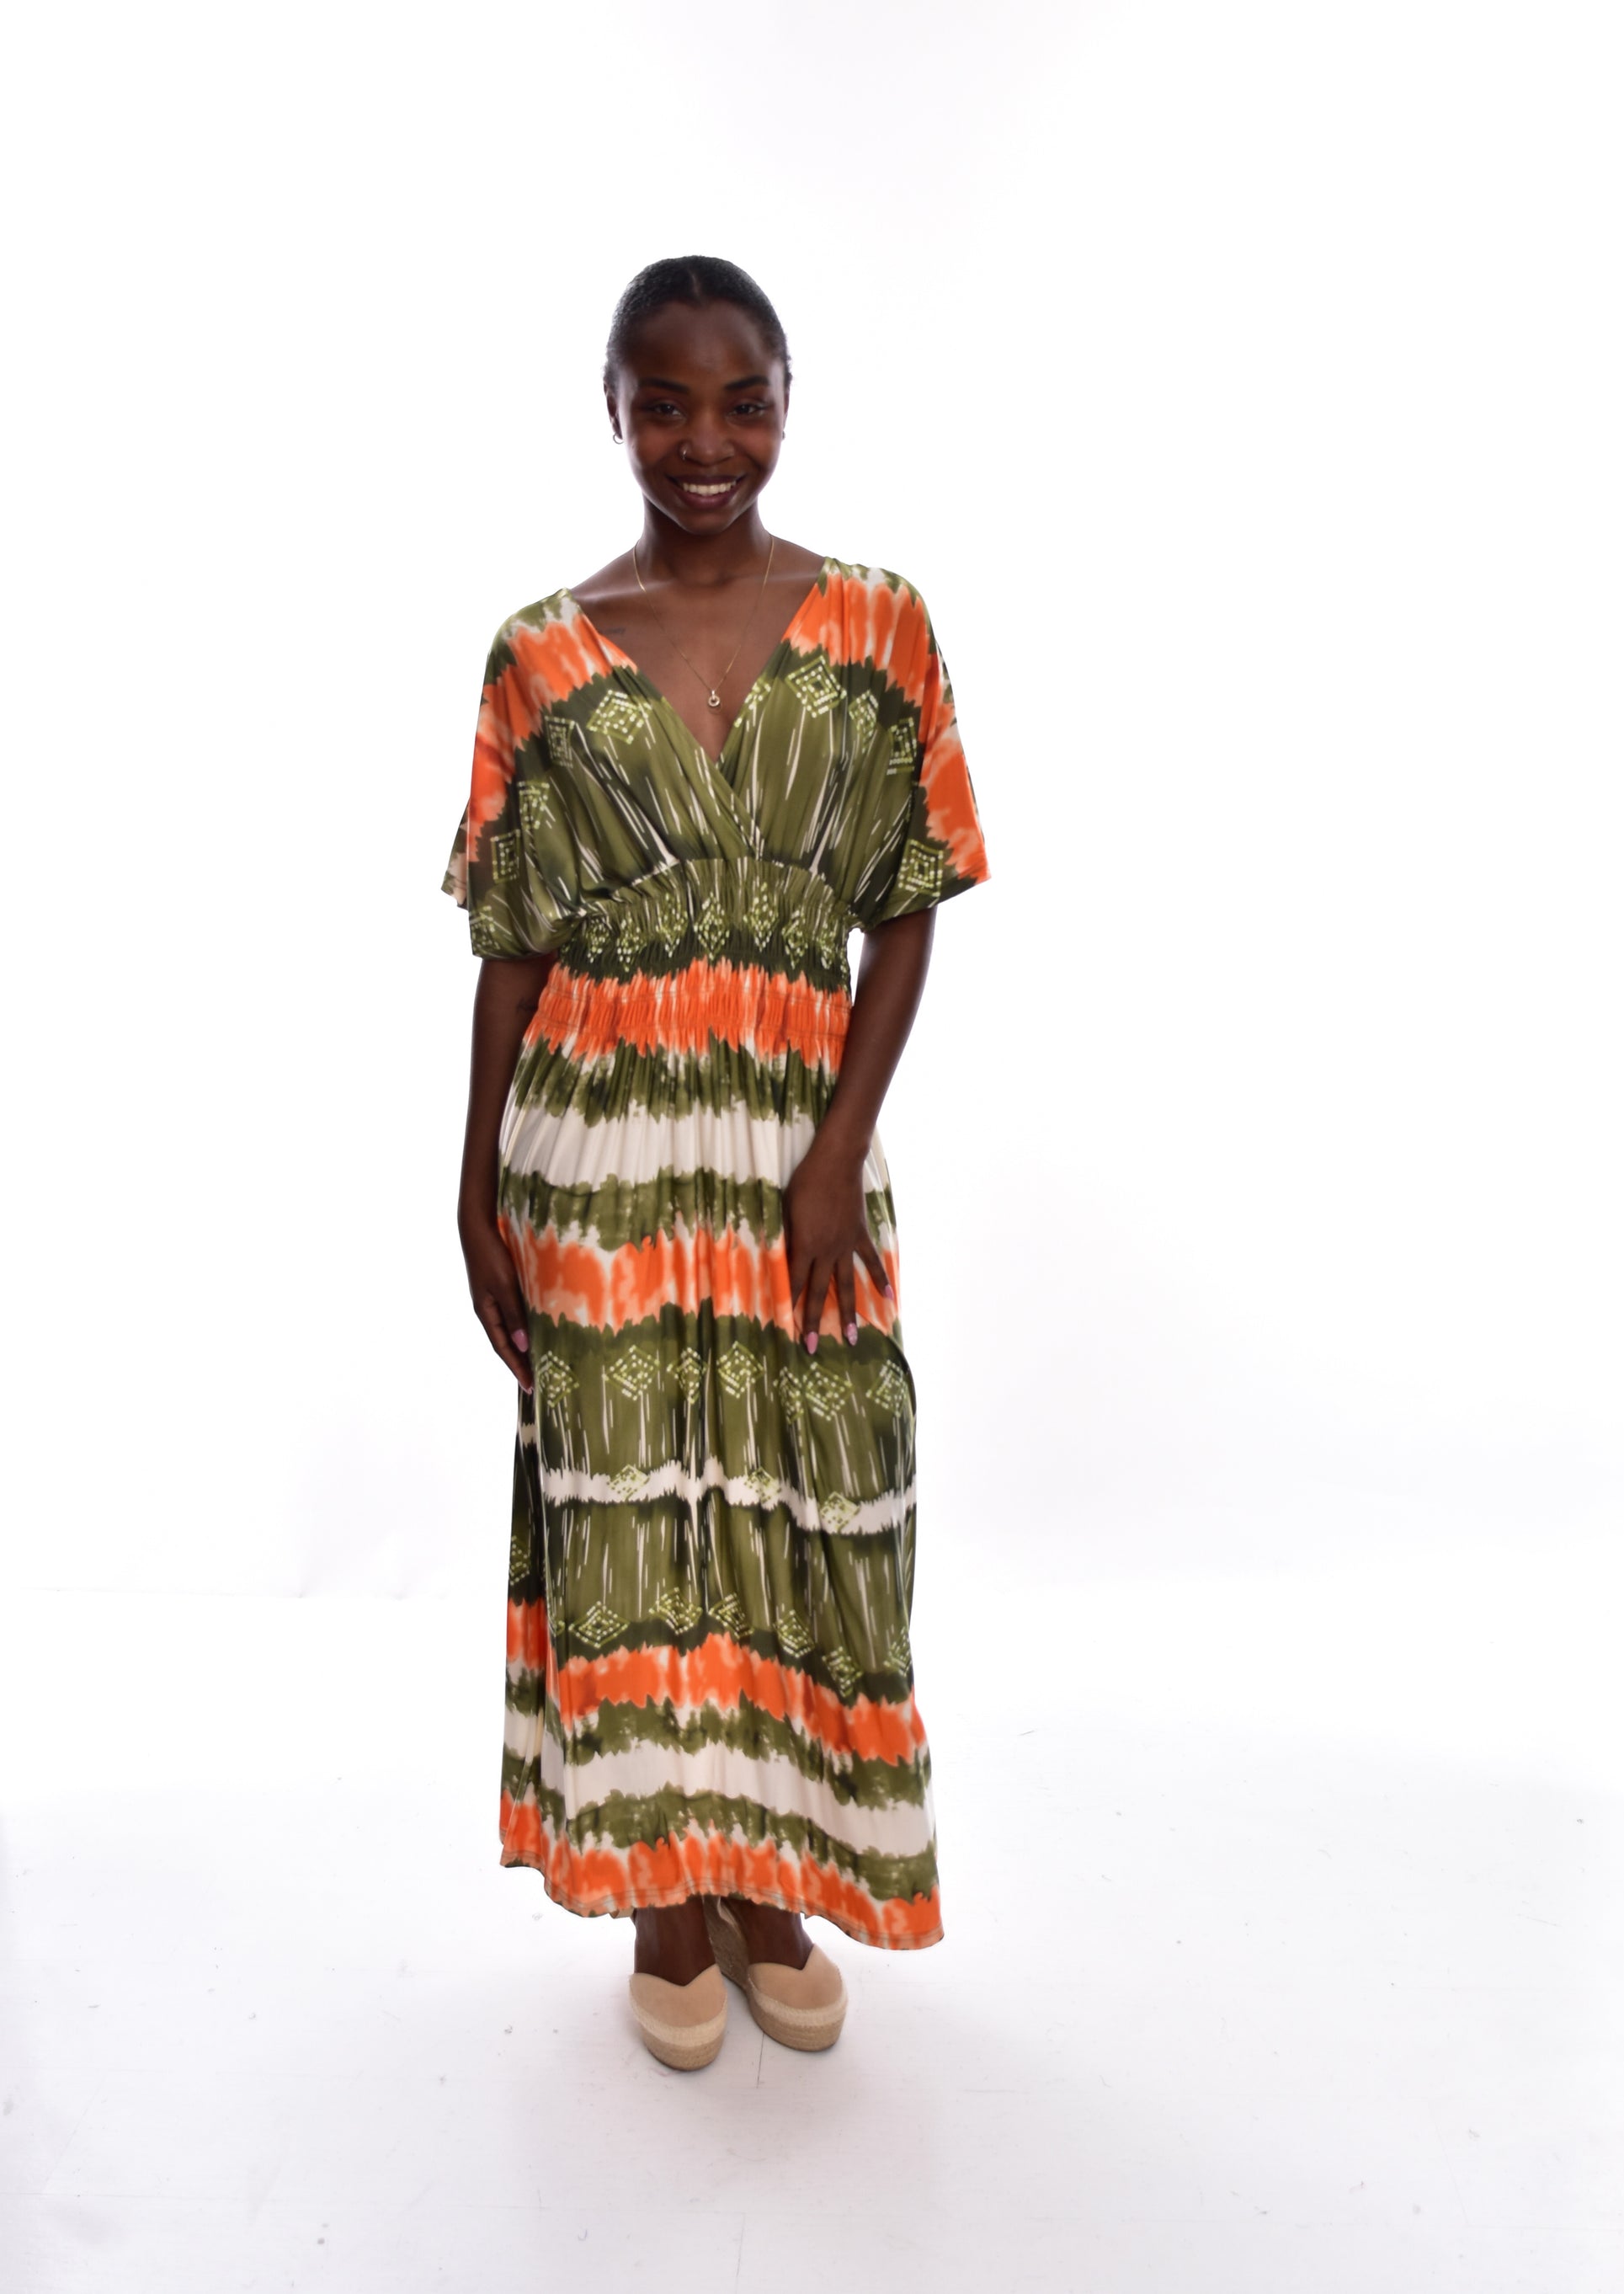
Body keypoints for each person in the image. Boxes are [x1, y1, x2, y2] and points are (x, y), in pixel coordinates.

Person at [443, 254, 991, 2071]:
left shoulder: (879, 623)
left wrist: (836, 1154)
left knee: (810, 1492)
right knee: (628, 1511)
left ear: (785, 403)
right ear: (611, 412)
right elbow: (511, 945)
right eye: (663, 405)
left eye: (739, 402)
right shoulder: (539, 649)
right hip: (593, 1148)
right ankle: (666, 1899)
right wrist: (474, 1189)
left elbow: (907, 904)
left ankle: (772, 1876)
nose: (705, 443)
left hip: (793, 1137)